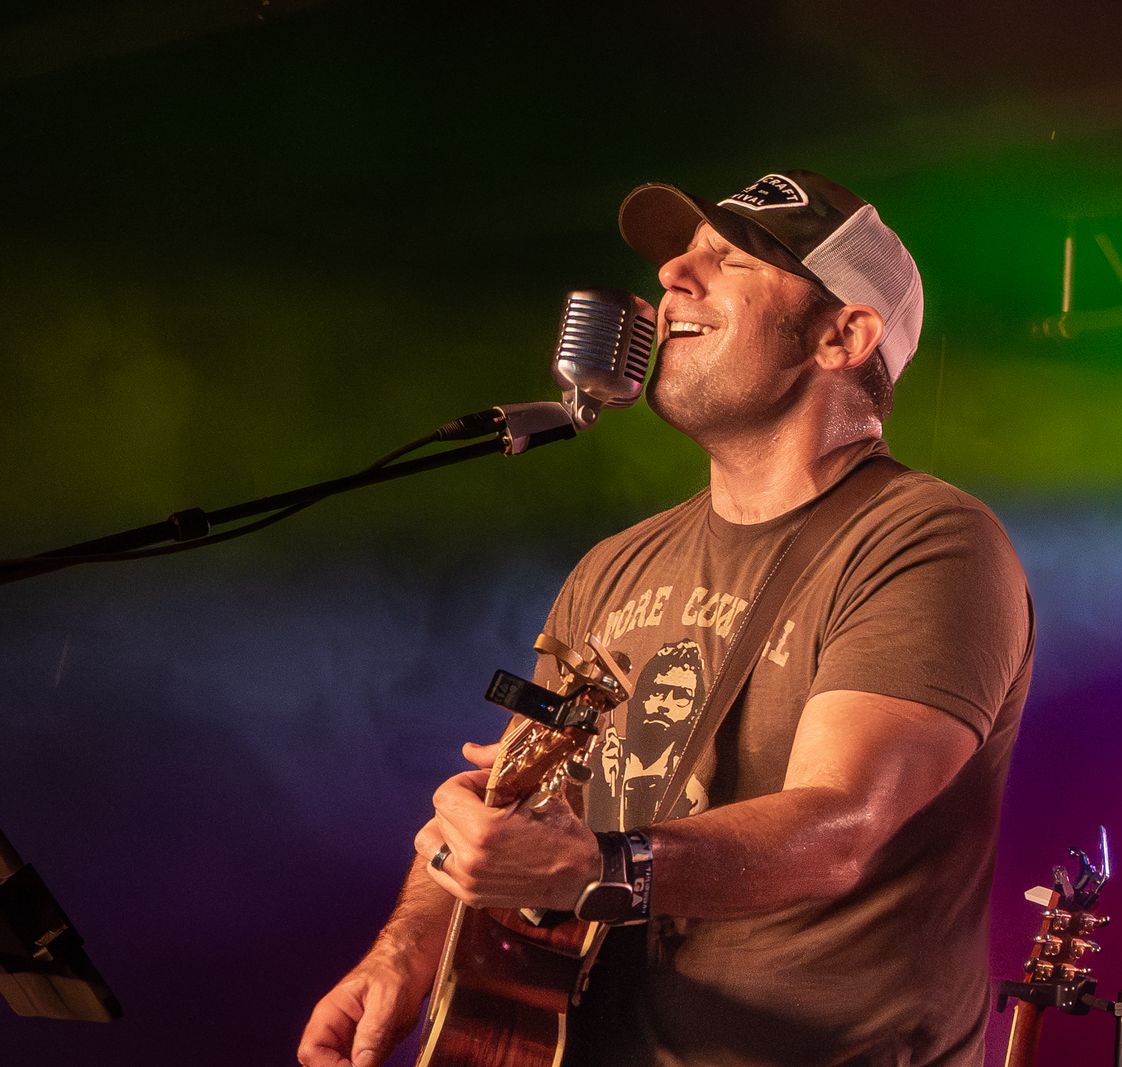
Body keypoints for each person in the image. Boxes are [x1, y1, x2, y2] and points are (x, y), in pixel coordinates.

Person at [298, 170, 1033, 1067]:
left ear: (842, 335)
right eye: (684, 255)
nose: (673, 275)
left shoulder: (926, 539)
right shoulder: (616, 566)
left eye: (731, 260)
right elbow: (508, 804)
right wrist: (409, 944)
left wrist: (597, 869)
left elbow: (841, 823)